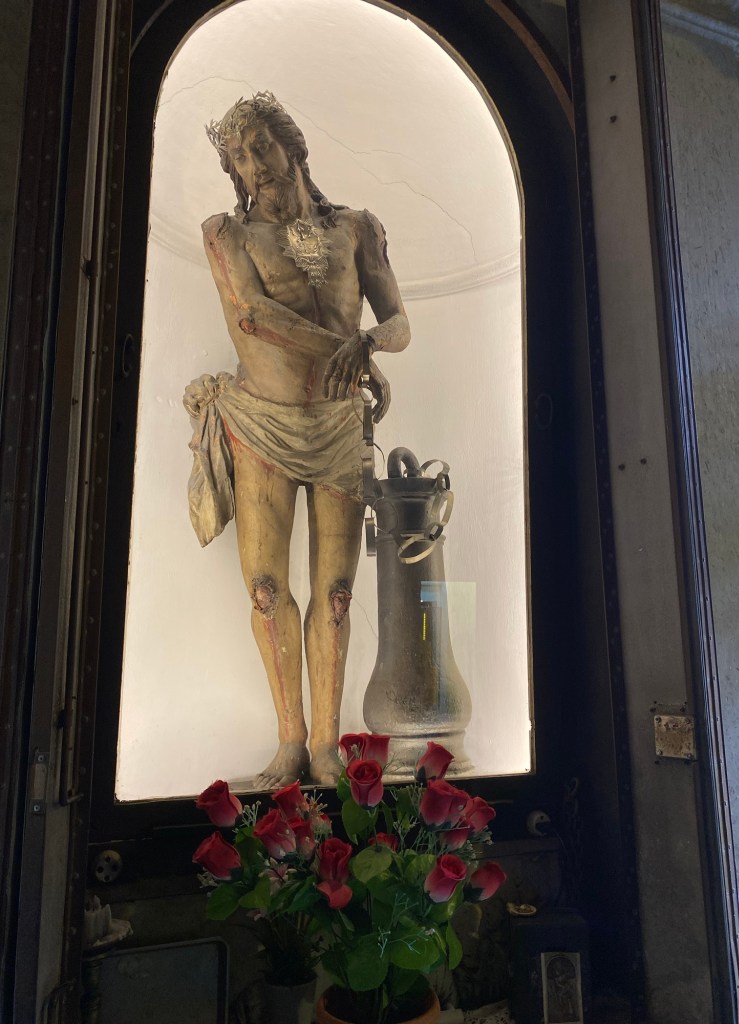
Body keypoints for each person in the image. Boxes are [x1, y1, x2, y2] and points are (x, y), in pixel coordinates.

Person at [183, 93, 410, 789]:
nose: (253, 164)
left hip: (338, 427)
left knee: (335, 594)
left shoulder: (356, 228)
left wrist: (370, 344)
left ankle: (324, 747)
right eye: (239, 156)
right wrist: (353, 353)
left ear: (293, 146)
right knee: (265, 588)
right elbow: (254, 316)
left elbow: (399, 322)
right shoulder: (227, 234)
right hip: (263, 421)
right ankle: (288, 742)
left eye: (261, 146)